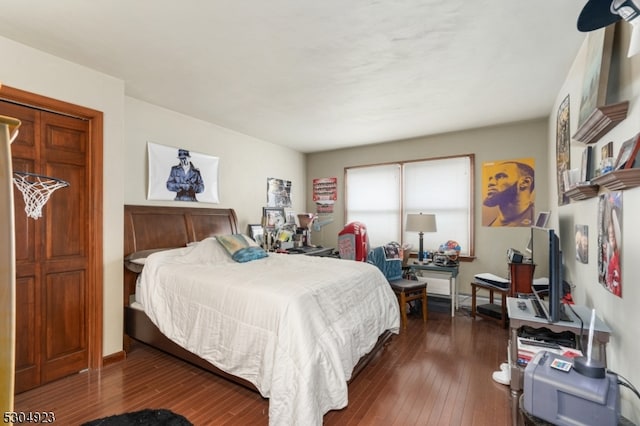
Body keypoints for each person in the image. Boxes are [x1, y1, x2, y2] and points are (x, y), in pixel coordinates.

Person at [483, 161, 535, 227]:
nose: (490, 183)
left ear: (525, 182)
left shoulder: (536, 219)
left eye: (501, 176)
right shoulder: (491, 225)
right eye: (490, 179)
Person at [605, 210, 621, 297]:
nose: (611, 236)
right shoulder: (612, 260)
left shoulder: (619, 258)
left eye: (613, 234)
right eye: (610, 234)